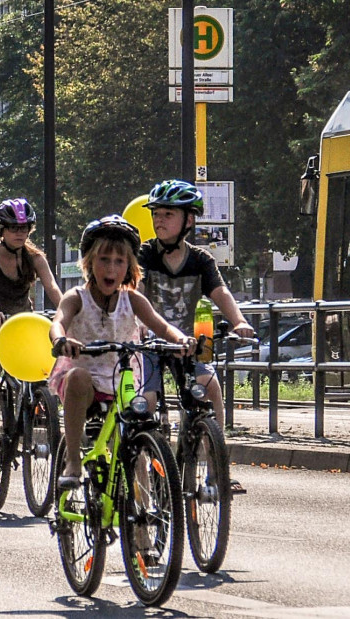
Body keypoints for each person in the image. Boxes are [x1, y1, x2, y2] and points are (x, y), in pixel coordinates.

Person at [49, 216, 194, 488]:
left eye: (119, 262)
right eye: (104, 259)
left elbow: (162, 326)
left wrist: (181, 340)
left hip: (123, 378)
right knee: (78, 377)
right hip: (86, 380)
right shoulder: (77, 297)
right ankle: (72, 458)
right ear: (90, 262)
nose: (111, 268)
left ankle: (141, 508)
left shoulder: (133, 299)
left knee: (136, 432)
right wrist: (61, 340)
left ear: (129, 267)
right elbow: (58, 322)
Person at [138, 179, 255, 493]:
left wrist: (240, 322)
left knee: (210, 387)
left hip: (193, 341)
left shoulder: (201, 260)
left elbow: (221, 293)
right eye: (156, 214)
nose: (158, 220)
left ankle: (217, 471)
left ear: (188, 220)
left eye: (167, 214)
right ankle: (144, 475)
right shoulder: (144, 254)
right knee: (145, 403)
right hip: (152, 341)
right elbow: (134, 294)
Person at [0, 199, 62, 488]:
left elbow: (52, 287)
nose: (19, 233)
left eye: (24, 228)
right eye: (13, 228)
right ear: (1, 229)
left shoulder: (35, 257)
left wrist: (69, 314)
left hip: (23, 324)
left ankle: (35, 410)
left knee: (42, 377)